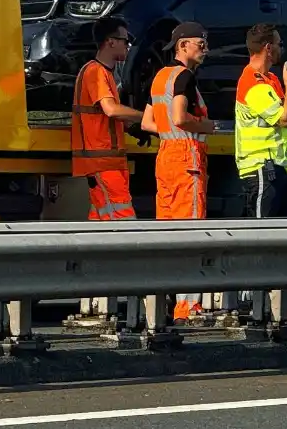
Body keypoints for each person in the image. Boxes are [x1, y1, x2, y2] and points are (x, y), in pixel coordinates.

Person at [142, 22, 216, 323]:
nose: (205, 48)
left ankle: (162, 301)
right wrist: (206, 126)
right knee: (191, 233)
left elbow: (148, 123)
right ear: (183, 45)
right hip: (187, 158)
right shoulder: (184, 77)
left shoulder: (161, 77)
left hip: (165, 158)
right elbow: (180, 117)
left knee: (168, 233)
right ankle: (188, 307)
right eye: (201, 43)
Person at [71, 17, 149, 220]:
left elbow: (105, 117)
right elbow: (111, 110)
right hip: (102, 163)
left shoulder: (103, 73)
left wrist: (131, 127)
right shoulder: (95, 72)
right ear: (110, 41)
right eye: (125, 41)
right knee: (123, 220)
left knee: (102, 221)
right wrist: (147, 116)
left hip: (106, 162)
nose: (128, 46)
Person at [234, 23, 287, 218]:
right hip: (262, 169)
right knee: (263, 233)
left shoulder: (270, 79)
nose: (282, 48)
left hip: (278, 168)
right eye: (280, 44)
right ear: (268, 48)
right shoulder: (254, 84)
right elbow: (286, 119)